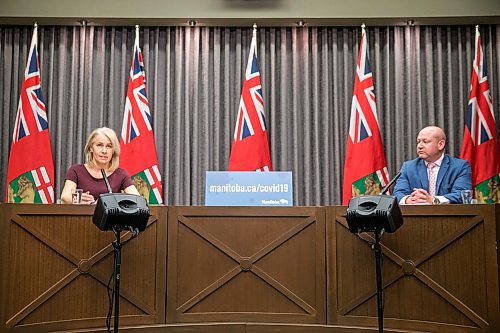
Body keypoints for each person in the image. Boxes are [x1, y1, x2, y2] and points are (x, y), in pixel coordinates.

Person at [393, 125, 472, 204]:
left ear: (440, 144)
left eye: (425, 142)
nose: (420, 146)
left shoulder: (460, 167)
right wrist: (409, 200)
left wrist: (432, 200)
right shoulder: (409, 167)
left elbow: (461, 194)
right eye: (418, 142)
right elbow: (398, 193)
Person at [60, 127, 139, 204]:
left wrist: (109, 203)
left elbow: (137, 200)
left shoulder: (121, 174)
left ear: (113, 150)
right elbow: (64, 197)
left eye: (109, 146)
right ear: (91, 148)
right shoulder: (76, 171)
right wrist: (78, 199)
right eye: (99, 145)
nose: (104, 151)